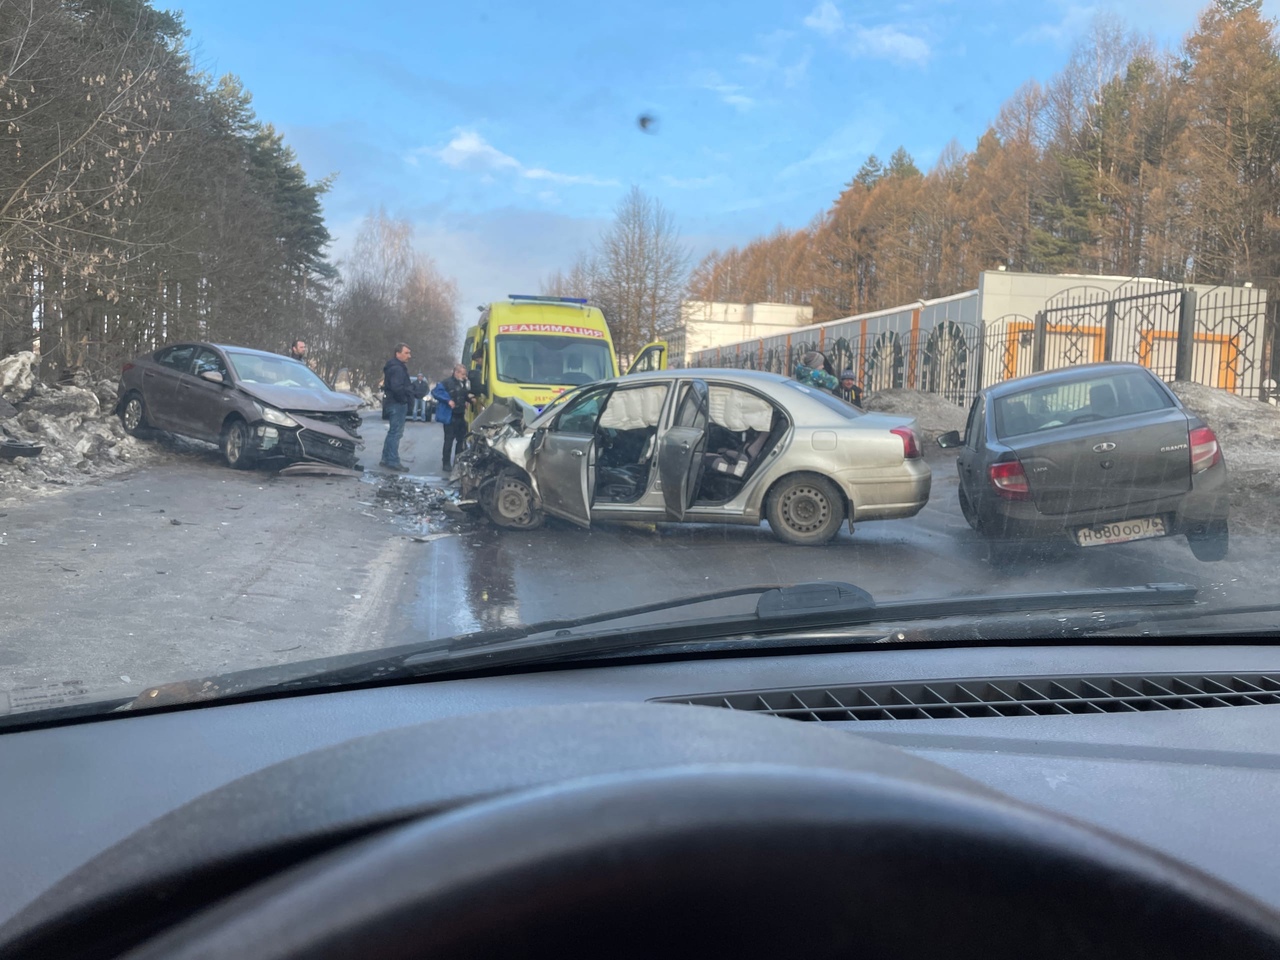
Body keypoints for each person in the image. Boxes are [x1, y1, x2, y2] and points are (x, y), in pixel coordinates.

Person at [433, 363, 473, 471]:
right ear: (456, 372)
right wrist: (448, 400)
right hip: (450, 416)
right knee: (449, 440)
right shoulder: (446, 383)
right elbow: (435, 392)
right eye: (463, 374)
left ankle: (457, 461)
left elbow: (464, 394)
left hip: (460, 415)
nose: (465, 376)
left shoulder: (464, 383)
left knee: (461, 440)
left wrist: (470, 400)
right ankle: (446, 463)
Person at [380, 343, 413, 472]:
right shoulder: (397, 368)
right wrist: (404, 399)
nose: (409, 356)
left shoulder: (393, 366)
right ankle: (393, 461)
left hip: (391, 402)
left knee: (392, 432)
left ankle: (386, 458)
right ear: (397, 353)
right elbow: (397, 387)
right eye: (406, 353)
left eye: (409, 353)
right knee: (396, 433)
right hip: (397, 404)